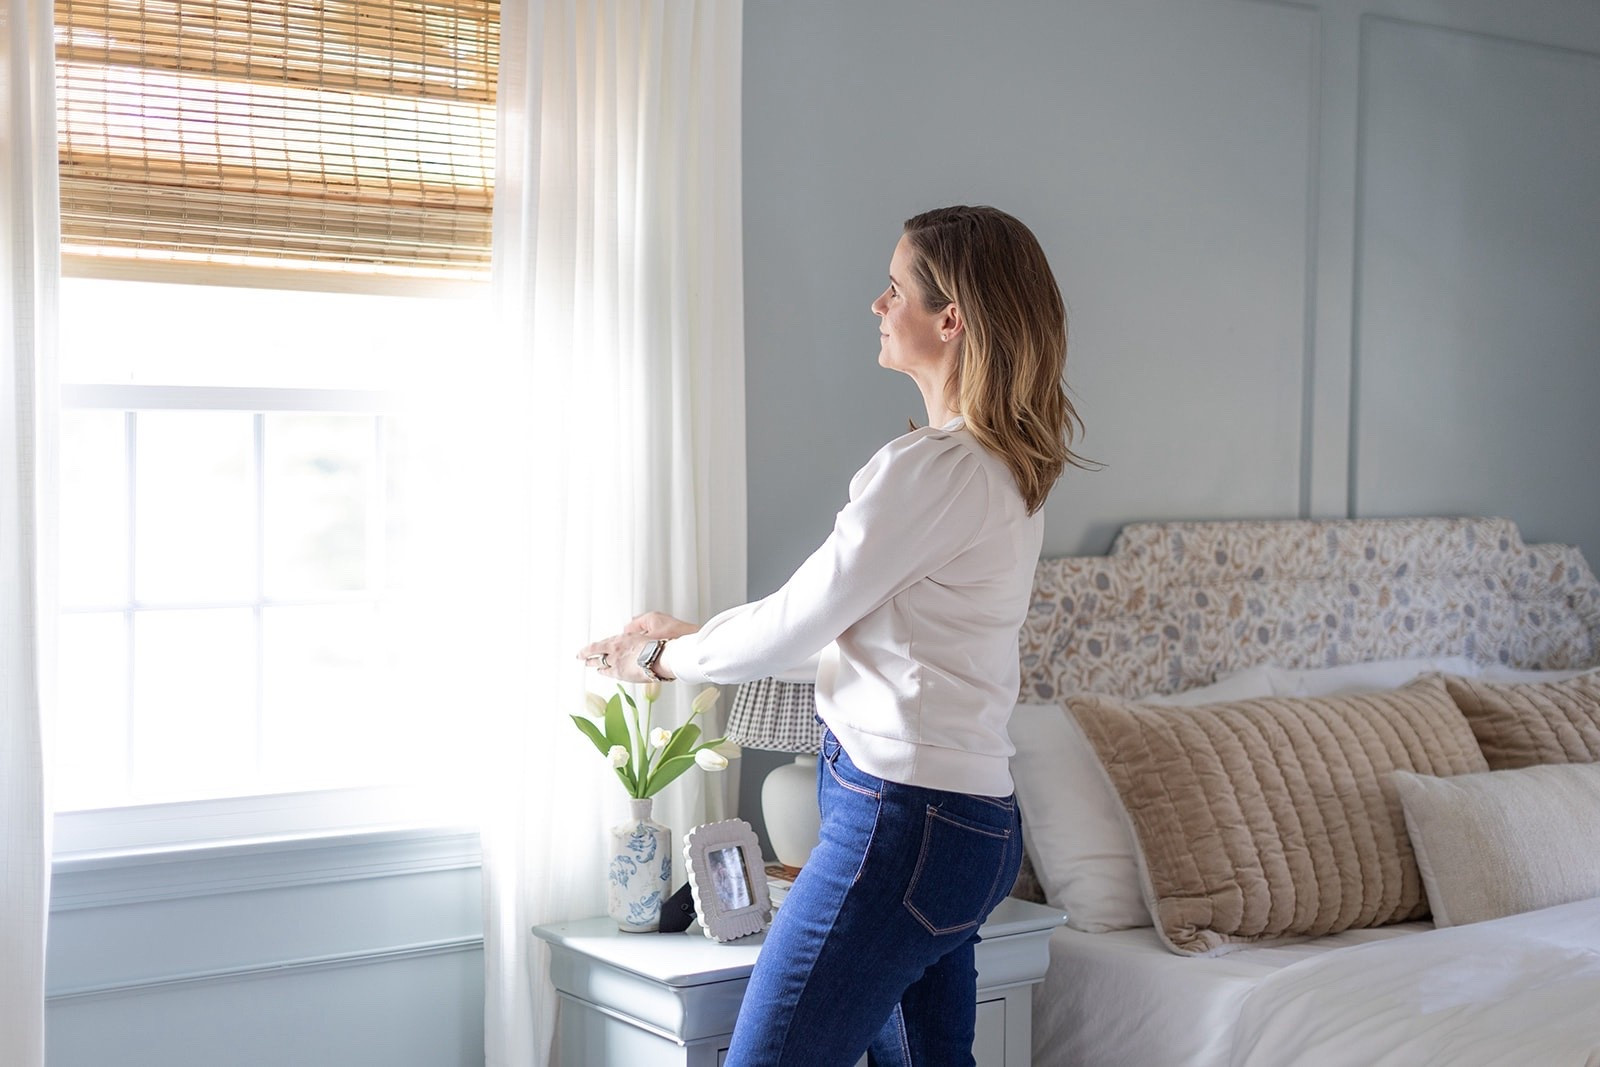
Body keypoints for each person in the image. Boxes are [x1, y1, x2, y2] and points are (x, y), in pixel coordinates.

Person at [578, 205, 1088, 1066]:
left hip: (901, 822)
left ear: (950, 318)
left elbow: (795, 623)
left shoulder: (929, 471)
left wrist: (659, 656)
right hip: (975, 828)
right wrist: (703, 633)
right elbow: (881, 633)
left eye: (894, 288)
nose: (876, 303)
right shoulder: (1004, 469)